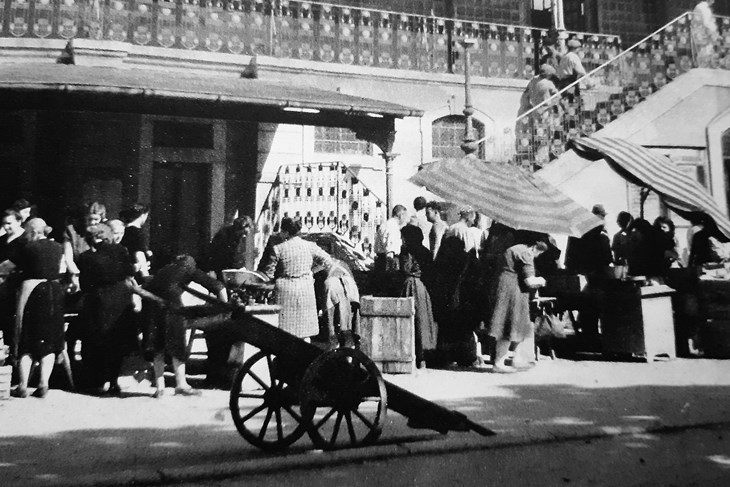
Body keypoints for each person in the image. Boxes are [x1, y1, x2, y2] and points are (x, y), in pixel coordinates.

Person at [141, 254, 228, 397]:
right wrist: (226, 307)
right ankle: (181, 384)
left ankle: (160, 388)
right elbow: (218, 286)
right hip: (171, 303)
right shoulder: (190, 268)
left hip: (152, 304)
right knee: (177, 344)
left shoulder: (167, 268)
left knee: (158, 345)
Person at [8, 218, 66, 398]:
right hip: (54, 292)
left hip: (33, 291)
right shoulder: (58, 247)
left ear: (33, 231)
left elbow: (9, 266)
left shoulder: (27, 248)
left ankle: (23, 385)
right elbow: (62, 269)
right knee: (48, 340)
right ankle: (43, 383)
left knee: (27, 338)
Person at [76, 224, 137, 395]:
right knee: (117, 341)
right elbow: (129, 271)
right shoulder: (121, 250)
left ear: (92, 238)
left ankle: (97, 379)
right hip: (121, 298)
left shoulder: (85, 257)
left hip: (99, 300)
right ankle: (114, 381)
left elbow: (84, 284)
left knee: (96, 341)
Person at [259, 217, 333, 338]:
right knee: (305, 331)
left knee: (285, 330)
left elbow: (269, 274)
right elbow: (328, 261)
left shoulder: (278, 249)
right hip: (305, 289)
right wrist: (312, 271)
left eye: (282, 231)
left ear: (286, 232)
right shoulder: (310, 246)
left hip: (285, 290)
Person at [487, 240, 548, 373]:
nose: (537, 256)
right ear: (534, 248)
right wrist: (542, 281)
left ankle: (518, 359)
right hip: (513, 292)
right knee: (509, 325)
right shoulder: (526, 254)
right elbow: (530, 281)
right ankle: (499, 362)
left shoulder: (514, 248)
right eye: (538, 253)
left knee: (518, 325)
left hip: (504, 288)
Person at [399, 225, 437, 369]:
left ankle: (412, 356)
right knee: (423, 321)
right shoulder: (425, 251)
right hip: (422, 288)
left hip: (410, 285)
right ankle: (422, 358)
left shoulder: (406, 250)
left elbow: (405, 269)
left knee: (410, 320)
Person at [0, 210, 28, 365]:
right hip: (2, 286)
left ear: (19, 221)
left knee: (13, 323)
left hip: (15, 286)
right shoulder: (3, 240)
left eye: (10, 223)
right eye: (4, 223)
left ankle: (14, 358)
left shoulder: (24, 240)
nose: (6, 227)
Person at [63, 201, 107, 291]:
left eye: (96, 220)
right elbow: (68, 258)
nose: (92, 223)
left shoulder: (105, 232)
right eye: (89, 219)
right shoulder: (72, 231)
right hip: (76, 274)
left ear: (101, 219)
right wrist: (76, 276)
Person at [201, 215, 256, 281]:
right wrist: (238, 268)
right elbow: (228, 255)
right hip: (219, 268)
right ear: (238, 228)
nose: (244, 236)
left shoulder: (237, 237)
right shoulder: (225, 236)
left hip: (227, 269)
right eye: (243, 233)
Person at [374, 204, 409, 274]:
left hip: (380, 260)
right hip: (389, 261)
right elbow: (390, 249)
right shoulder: (393, 227)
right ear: (401, 215)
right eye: (405, 216)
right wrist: (391, 270)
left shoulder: (385, 224)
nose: (405, 219)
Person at [120, 203, 151, 280]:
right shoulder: (136, 232)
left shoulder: (124, 229)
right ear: (143, 215)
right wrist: (145, 277)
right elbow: (138, 254)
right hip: (136, 273)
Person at [556, 39, 586, 104]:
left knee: (565, 100)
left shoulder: (564, 57)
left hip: (562, 82)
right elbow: (581, 71)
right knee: (573, 101)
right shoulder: (574, 57)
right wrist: (588, 82)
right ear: (576, 48)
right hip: (571, 82)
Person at [692, 0, 720, 68]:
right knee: (706, 51)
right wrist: (714, 33)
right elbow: (707, 23)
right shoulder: (705, 8)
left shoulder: (698, 7)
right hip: (704, 35)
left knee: (702, 51)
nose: (713, 2)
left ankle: (702, 65)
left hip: (698, 35)